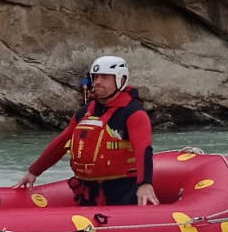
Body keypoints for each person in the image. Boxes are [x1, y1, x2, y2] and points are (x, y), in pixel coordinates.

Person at [16, 56, 158, 206]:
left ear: (120, 80)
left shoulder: (133, 113)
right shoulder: (86, 111)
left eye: (104, 77)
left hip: (123, 190)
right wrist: (34, 171)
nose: (97, 82)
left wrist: (145, 183)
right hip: (88, 190)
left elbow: (143, 148)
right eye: (95, 77)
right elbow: (62, 143)